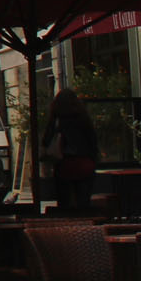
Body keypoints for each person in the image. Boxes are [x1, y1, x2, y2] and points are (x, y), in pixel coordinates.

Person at [44, 86, 101, 214]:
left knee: (64, 202)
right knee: (83, 202)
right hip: (85, 162)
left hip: (65, 163)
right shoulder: (83, 117)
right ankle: (85, 224)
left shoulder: (56, 119)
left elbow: (46, 140)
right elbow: (92, 139)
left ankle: (67, 226)